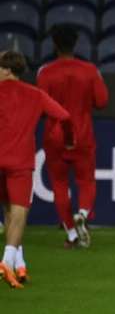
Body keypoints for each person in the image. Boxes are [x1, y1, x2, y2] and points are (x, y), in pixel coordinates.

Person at [0, 50, 74, 287]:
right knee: (19, 212)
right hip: (20, 162)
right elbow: (64, 116)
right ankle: (6, 261)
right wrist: (68, 139)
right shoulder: (36, 95)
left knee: (9, 212)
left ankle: (19, 265)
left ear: (8, 70)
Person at [37, 24, 109, 248]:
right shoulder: (90, 70)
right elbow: (102, 101)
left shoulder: (45, 72)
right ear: (75, 44)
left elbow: (41, 106)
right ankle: (84, 214)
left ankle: (71, 234)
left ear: (55, 45)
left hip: (54, 136)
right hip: (82, 134)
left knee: (59, 184)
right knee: (86, 180)